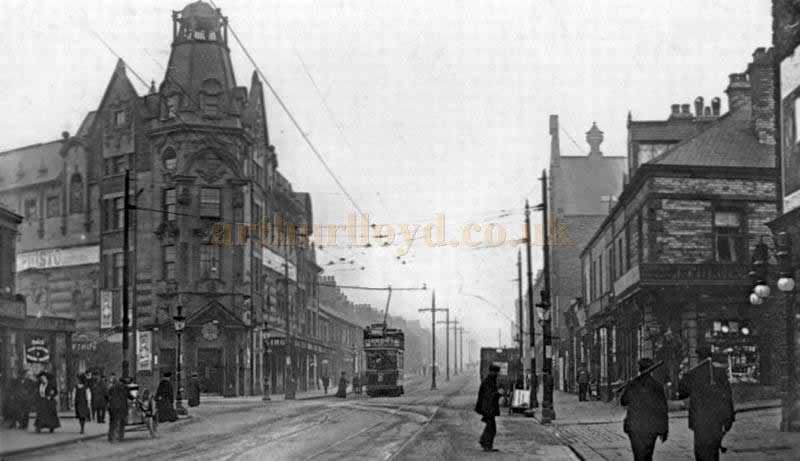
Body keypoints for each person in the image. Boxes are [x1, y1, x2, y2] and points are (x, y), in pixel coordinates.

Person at [678, 346, 735, 461]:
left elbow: (682, 393)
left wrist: (683, 376)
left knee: (700, 452)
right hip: (715, 419)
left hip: (699, 420)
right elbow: (727, 396)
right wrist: (729, 419)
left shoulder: (694, 374)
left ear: (699, 358)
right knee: (713, 453)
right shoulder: (719, 372)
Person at [620, 358, 669, 461]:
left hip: (635, 426)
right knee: (647, 455)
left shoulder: (633, 384)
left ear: (639, 369)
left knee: (638, 456)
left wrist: (628, 387)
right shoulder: (657, 386)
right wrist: (664, 430)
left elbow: (623, 401)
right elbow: (663, 409)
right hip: (651, 427)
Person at [475, 364, 502, 452]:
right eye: (496, 372)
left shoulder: (489, 380)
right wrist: (499, 393)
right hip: (488, 408)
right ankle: (486, 445)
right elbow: (490, 396)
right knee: (491, 428)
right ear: (492, 372)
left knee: (490, 427)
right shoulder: (489, 382)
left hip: (487, 408)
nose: (497, 374)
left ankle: (484, 441)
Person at [107, 377, 129, 442]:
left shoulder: (112, 387)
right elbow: (128, 395)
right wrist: (135, 399)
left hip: (112, 407)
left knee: (112, 422)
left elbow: (107, 394)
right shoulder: (125, 387)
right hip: (121, 407)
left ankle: (110, 437)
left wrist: (110, 400)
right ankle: (120, 437)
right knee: (121, 422)